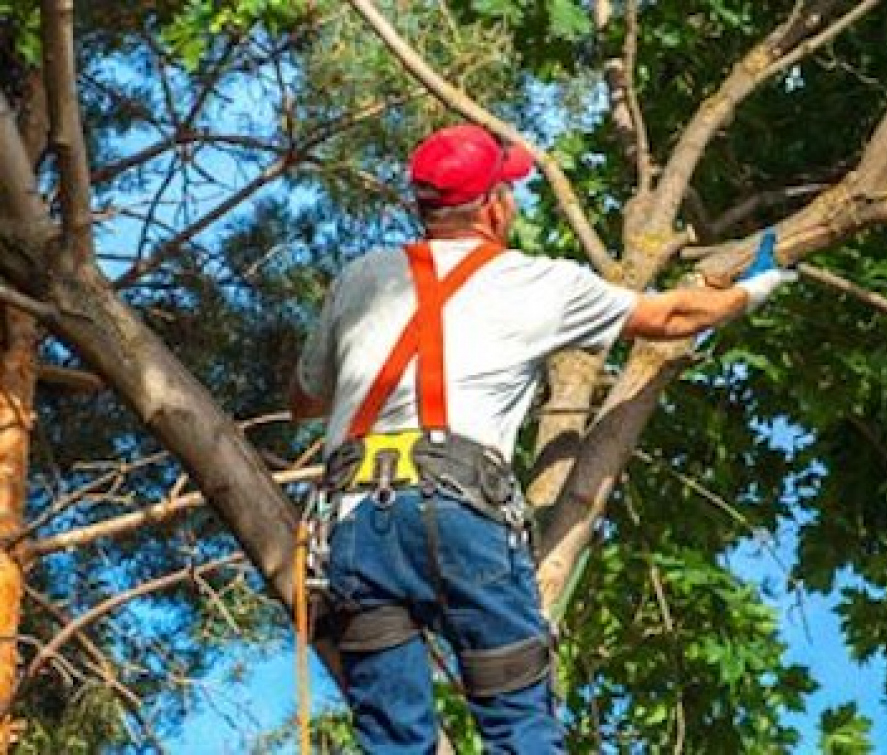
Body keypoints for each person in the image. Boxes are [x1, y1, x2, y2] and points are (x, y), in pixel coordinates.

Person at [290, 122, 795, 753]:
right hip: (459, 518)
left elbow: (304, 400)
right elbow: (670, 316)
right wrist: (756, 287)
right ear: (495, 207)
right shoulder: (539, 282)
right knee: (521, 731)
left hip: (357, 530)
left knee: (394, 741)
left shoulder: (362, 276)